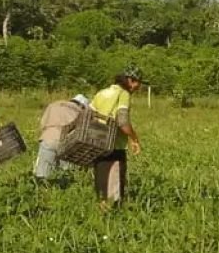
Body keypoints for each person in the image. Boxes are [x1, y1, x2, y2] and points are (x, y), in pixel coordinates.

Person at [90, 68, 144, 204]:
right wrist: (134, 139)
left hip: (97, 142)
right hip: (114, 146)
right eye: (138, 82)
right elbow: (123, 121)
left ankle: (102, 214)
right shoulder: (123, 93)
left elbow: (88, 115)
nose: (139, 87)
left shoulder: (101, 93)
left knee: (102, 185)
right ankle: (113, 215)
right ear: (131, 80)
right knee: (114, 189)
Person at [34, 94, 90, 181]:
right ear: (81, 105)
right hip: (67, 142)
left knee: (42, 173)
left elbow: (43, 124)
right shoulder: (80, 112)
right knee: (66, 173)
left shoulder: (54, 105)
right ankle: (63, 189)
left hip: (48, 138)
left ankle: (41, 190)